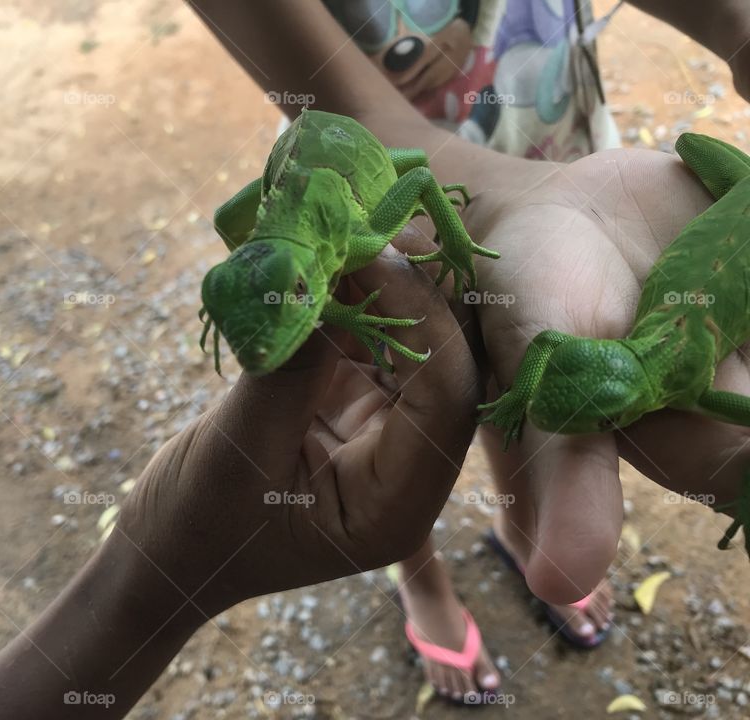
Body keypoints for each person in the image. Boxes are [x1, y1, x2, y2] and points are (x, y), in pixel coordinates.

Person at [185, 0, 750, 700]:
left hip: (542, 99)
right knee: (384, 390)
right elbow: (378, 160)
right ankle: (420, 581)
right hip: (353, 131)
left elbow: (421, 179)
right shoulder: (355, 247)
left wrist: (735, 22)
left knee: (495, 356)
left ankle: (518, 524)